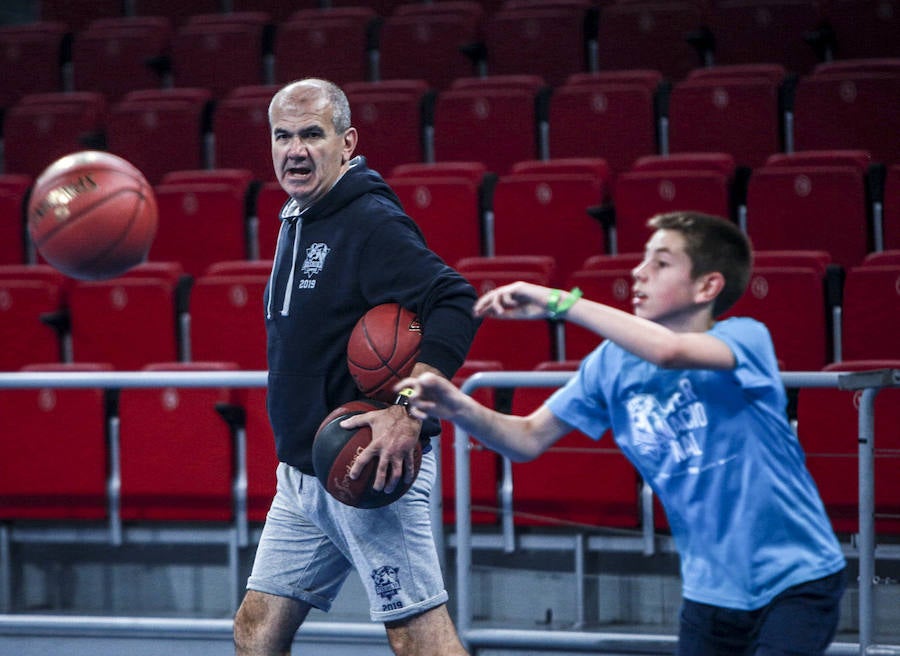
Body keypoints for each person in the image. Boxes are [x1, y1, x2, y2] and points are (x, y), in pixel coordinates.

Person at [396, 211, 847, 656]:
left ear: (707, 287)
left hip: (796, 581)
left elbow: (669, 351)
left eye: (661, 263)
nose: (639, 272)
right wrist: (459, 407)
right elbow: (527, 438)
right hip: (710, 593)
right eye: (644, 259)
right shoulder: (612, 364)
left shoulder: (746, 339)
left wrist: (560, 302)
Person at [233, 78, 478, 656]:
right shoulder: (299, 215)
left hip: (368, 467)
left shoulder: (369, 221)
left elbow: (455, 300)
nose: (295, 150)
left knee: (418, 638)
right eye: (282, 136)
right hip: (302, 474)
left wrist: (407, 411)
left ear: (347, 143)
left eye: (311, 135)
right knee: (255, 631)